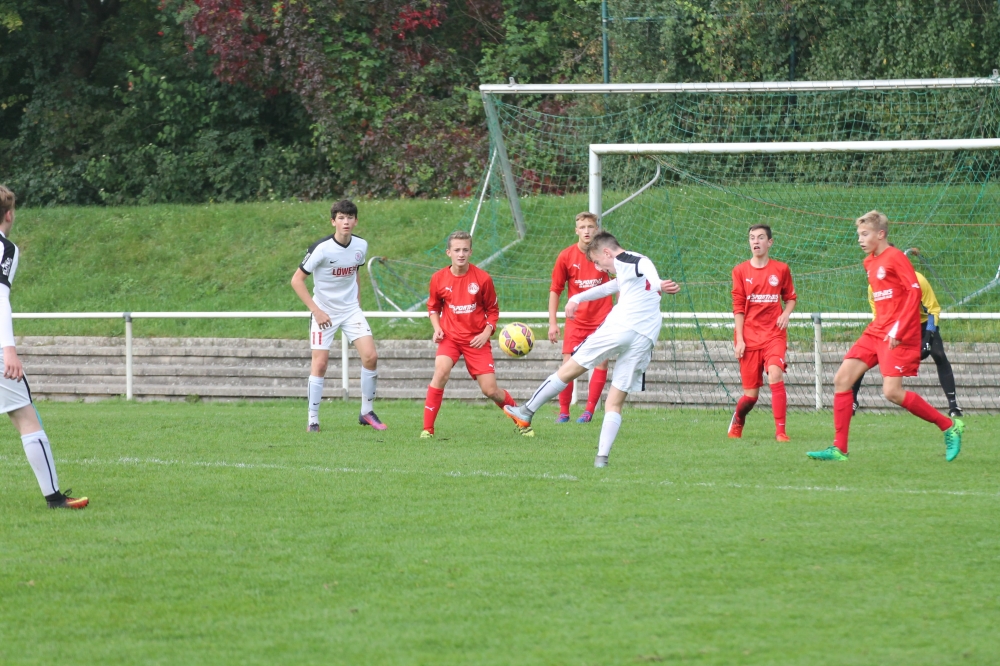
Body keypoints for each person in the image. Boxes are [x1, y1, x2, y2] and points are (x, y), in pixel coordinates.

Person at [503, 231, 681, 467]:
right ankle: (601, 458)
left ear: (607, 252)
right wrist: (577, 298)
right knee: (614, 402)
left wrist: (659, 283)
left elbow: (643, 265)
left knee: (570, 369)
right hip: (646, 336)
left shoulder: (628, 260)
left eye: (598, 262)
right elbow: (609, 288)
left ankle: (526, 411)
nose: (599, 268)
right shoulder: (628, 270)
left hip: (622, 327)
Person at [807, 211, 964, 462]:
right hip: (876, 330)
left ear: (880, 234)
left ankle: (949, 426)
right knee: (842, 380)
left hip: (897, 333)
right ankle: (839, 449)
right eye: (859, 234)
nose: (860, 239)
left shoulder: (895, 257)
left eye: (865, 234)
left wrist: (898, 330)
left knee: (892, 392)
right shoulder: (869, 262)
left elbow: (914, 293)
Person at [0, 186, 88, 509]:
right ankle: (54, 498)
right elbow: (0, 298)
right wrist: (9, 349)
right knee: (26, 417)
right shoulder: (5, 248)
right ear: (9, 215)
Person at [291, 199, 385, 432]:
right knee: (320, 364)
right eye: (341, 218)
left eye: (350, 217)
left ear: (356, 221)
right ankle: (313, 419)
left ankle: (366, 412)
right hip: (324, 311)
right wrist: (316, 311)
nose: (346, 222)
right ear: (333, 221)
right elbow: (297, 280)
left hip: (350, 310)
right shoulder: (321, 249)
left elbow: (356, 273)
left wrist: (358, 305)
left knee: (371, 356)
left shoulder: (361, 245)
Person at [421, 231, 527, 437]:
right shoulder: (438, 279)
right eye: (456, 250)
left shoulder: (482, 279)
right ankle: (427, 430)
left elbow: (493, 311)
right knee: (440, 372)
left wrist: (486, 333)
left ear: (471, 252)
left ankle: (522, 419)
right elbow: (433, 307)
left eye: (465, 250)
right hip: (450, 338)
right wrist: (437, 328)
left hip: (477, 340)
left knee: (490, 390)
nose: (461, 254)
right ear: (448, 252)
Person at [851, 270, 962, 417]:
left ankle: (953, 406)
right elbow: (878, 316)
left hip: (922, 324)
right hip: (894, 325)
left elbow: (933, 310)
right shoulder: (874, 287)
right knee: (867, 354)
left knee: (939, 354)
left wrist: (928, 337)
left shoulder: (918, 280)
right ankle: (852, 400)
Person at [728, 225, 797, 441]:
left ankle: (781, 432)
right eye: (752, 238)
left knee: (775, 373)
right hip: (749, 337)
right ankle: (738, 419)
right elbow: (738, 307)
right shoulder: (740, 271)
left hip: (774, 335)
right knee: (751, 397)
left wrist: (786, 313)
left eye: (760, 237)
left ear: (770, 242)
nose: (755, 242)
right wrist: (740, 339)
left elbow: (790, 298)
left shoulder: (781, 269)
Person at [547, 212, 613, 423]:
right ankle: (564, 412)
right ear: (576, 230)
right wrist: (553, 323)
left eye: (590, 227)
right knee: (567, 365)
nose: (586, 231)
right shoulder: (566, 256)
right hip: (576, 321)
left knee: (601, 362)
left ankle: (589, 411)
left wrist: (620, 310)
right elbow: (555, 290)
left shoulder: (606, 255)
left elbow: (621, 282)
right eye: (582, 227)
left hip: (602, 319)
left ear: (596, 230)